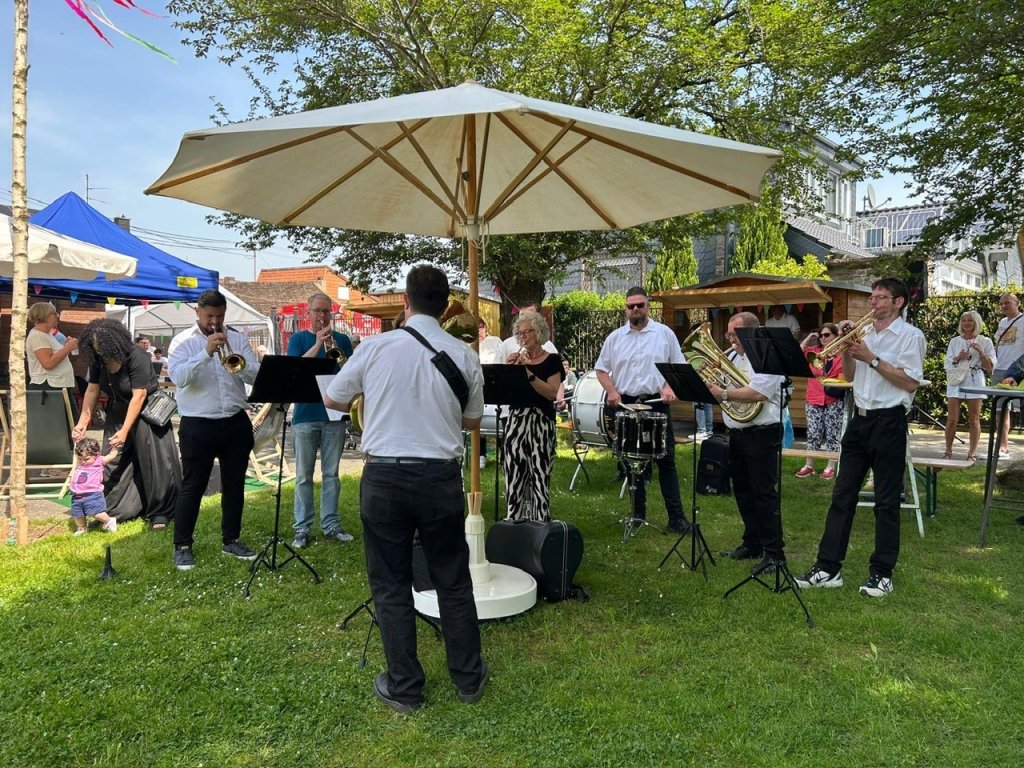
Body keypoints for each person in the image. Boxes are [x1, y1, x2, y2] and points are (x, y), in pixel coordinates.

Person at [324, 264, 487, 714]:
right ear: (444, 305)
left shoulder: (376, 347)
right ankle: (469, 679)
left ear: (407, 302)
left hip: (385, 478)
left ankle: (405, 687)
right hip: (439, 478)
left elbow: (333, 398)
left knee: (391, 584)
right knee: (453, 581)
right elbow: (473, 422)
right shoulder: (465, 354)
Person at [796, 278, 926, 598]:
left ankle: (882, 574)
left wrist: (872, 358)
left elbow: (909, 383)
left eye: (881, 298)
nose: (874, 303)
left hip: (890, 422)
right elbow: (850, 376)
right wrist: (849, 347)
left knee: (885, 502)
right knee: (842, 495)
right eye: (872, 297)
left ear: (899, 302)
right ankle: (828, 567)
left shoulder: (911, 337)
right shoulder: (866, 332)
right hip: (859, 420)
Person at [167, 290, 261, 572]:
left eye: (220, 316)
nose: (215, 322)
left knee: (235, 485)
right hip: (198, 422)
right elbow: (179, 378)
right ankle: (182, 546)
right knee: (193, 485)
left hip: (234, 419)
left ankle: (231, 539)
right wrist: (206, 353)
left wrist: (238, 366)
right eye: (210, 316)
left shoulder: (238, 338)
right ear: (198, 312)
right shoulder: (182, 342)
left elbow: (256, 374)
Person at [594, 287, 691, 534]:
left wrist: (669, 387)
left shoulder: (664, 334)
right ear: (625, 309)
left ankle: (677, 518)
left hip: (657, 403)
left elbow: (677, 366)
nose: (635, 309)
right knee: (630, 462)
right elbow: (601, 370)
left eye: (640, 305)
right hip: (626, 403)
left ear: (648, 305)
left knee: (666, 461)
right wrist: (612, 392)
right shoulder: (615, 338)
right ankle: (637, 515)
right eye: (631, 306)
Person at [72, 318, 182, 529]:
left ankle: (161, 512)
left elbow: (139, 396)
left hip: (147, 413)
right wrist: (83, 421)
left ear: (114, 343)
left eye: (102, 349)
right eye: (95, 350)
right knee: (111, 460)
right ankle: (111, 509)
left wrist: (124, 431)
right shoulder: (98, 359)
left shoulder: (137, 356)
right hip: (117, 410)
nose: (100, 353)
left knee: (154, 461)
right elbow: (93, 389)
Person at [705, 312, 786, 567]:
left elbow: (759, 393)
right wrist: (710, 384)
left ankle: (774, 553)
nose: (730, 340)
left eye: (734, 334)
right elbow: (722, 385)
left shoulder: (766, 355)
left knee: (763, 493)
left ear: (751, 331)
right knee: (742, 490)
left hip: (762, 433)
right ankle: (753, 543)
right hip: (738, 433)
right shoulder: (731, 357)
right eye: (729, 334)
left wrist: (724, 393)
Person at [287, 292, 355, 549]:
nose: (323, 316)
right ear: (308, 312)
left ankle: (331, 524)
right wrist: (317, 345)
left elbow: (349, 373)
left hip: (334, 415)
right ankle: (302, 527)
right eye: (318, 311)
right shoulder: (299, 338)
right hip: (305, 414)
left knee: (331, 475)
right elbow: (293, 369)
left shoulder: (343, 340)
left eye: (327, 311)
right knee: (303, 475)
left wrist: (338, 353)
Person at [502, 311, 565, 521]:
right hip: (516, 421)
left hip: (540, 422)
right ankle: (514, 522)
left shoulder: (552, 360)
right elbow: (506, 392)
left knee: (540, 474)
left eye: (527, 332)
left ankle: (541, 524)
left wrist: (527, 374)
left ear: (539, 332)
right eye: (519, 334)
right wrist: (508, 371)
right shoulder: (517, 360)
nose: (522, 337)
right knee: (513, 473)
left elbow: (550, 392)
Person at [943, 311, 996, 462]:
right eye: (964, 320)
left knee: (974, 419)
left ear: (976, 323)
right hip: (956, 380)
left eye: (970, 320)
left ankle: (971, 454)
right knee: (952, 418)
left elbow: (989, 368)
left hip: (975, 380)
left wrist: (980, 352)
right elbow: (947, 364)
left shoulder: (985, 341)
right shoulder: (954, 341)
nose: (966, 323)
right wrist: (958, 358)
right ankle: (948, 451)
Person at [796, 323, 845, 479]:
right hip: (813, 398)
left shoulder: (842, 354)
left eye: (827, 335)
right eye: (821, 335)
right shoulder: (814, 352)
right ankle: (809, 465)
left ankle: (830, 466)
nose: (823, 338)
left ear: (836, 336)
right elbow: (796, 353)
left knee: (832, 434)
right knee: (813, 433)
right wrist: (809, 338)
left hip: (833, 399)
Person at [25, 302, 80, 422]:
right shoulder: (37, 336)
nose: (57, 316)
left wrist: (66, 347)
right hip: (49, 387)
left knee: (69, 425)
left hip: (57, 385)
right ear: (44, 316)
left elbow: (54, 356)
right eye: (54, 313)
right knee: (57, 427)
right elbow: (48, 363)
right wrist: (67, 348)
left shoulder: (46, 335)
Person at [991, 294, 1024, 458]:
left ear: (1017, 303)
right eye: (1001, 303)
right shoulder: (1002, 323)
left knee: (1011, 409)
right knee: (1000, 410)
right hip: (999, 369)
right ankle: (1001, 448)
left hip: (1016, 371)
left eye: (1007, 303)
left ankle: (1002, 448)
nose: (1004, 306)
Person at [68, 438, 121, 536]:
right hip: (77, 495)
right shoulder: (79, 464)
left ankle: (109, 521)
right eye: (80, 459)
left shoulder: (98, 461)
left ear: (96, 454)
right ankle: (82, 528)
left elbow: (111, 456)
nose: (83, 461)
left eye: (86, 459)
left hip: (92, 494)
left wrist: (114, 448)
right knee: (78, 514)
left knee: (96, 513)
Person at [476, 317, 504, 468]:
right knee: (480, 422)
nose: (479, 330)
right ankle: (481, 456)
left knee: (498, 420)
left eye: (481, 327)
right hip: (479, 385)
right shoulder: (469, 344)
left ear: (485, 327)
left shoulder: (496, 341)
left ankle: (503, 456)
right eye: (477, 328)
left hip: (494, 382)